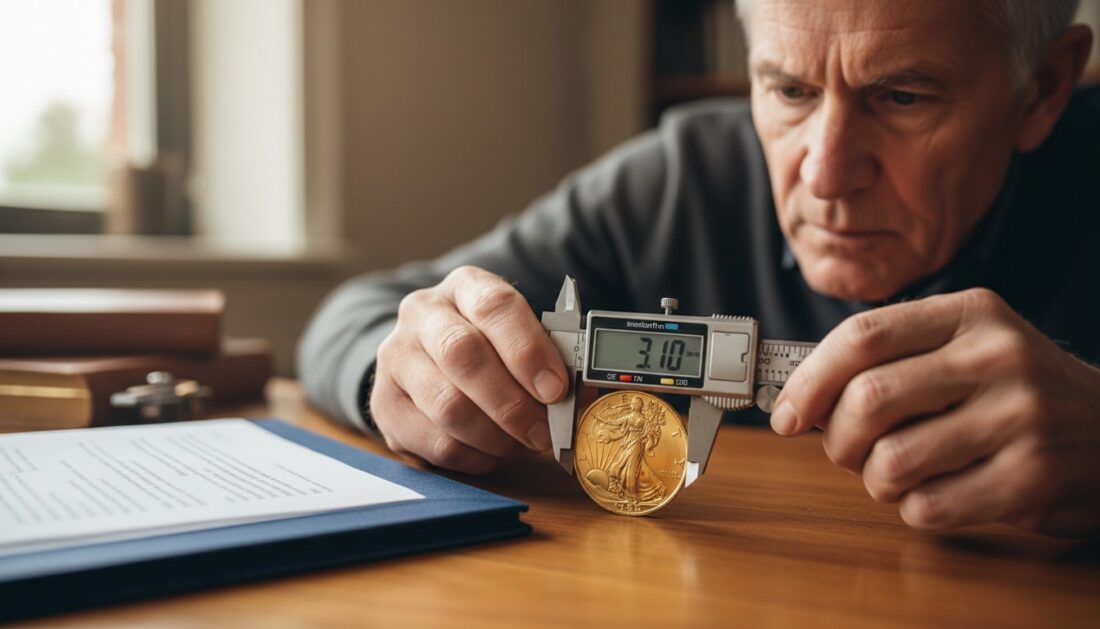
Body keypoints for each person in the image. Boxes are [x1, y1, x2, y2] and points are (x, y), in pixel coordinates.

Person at [298, 0, 1100, 536]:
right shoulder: (683, 176)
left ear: (1043, 88)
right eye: (788, 89)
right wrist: (407, 373)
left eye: (903, 99)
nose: (823, 172)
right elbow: (360, 310)